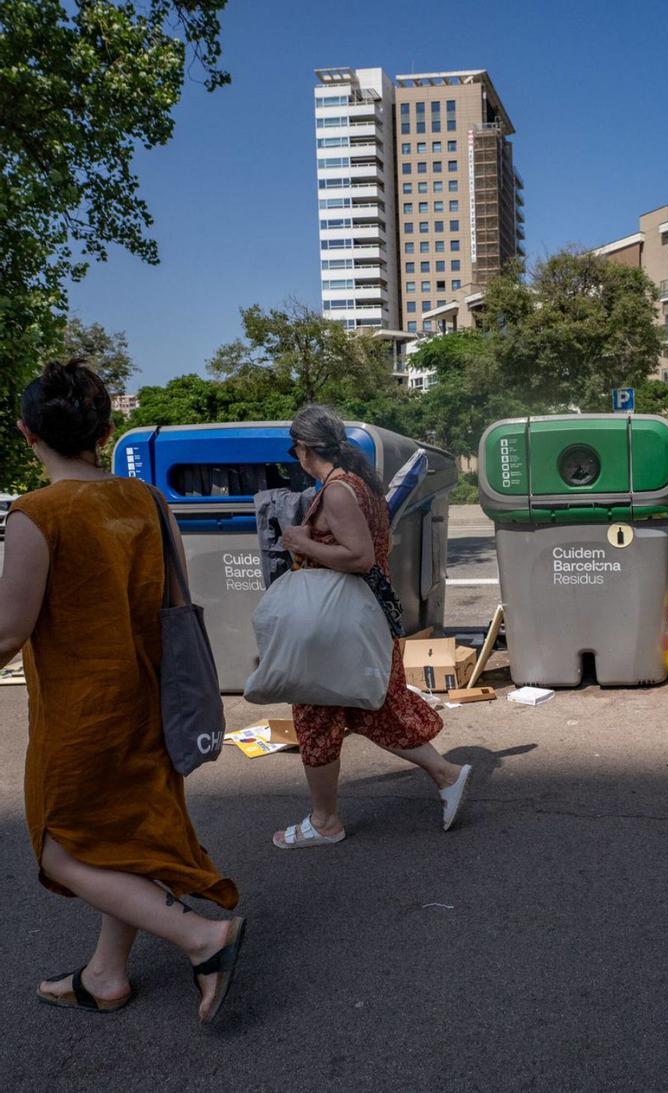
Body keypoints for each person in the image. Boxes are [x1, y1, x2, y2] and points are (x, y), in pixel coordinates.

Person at [0, 360, 245, 1024]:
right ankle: (106, 973)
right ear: (105, 430)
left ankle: (203, 937)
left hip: (82, 715)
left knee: (61, 843)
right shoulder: (148, 500)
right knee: (130, 833)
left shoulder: (35, 513)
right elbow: (179, 601)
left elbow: (7, 631)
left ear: (28, 434)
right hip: (151, 699)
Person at [273, 404, 471, 849]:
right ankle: (447, 774)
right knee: (368, 708)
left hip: (342, 623)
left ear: (305, 449)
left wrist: (301, 540)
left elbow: (359, 557)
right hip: (361, 620)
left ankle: (324, 821)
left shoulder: (339, 491)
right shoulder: (359, 485)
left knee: (316, 716)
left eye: (294, 449)